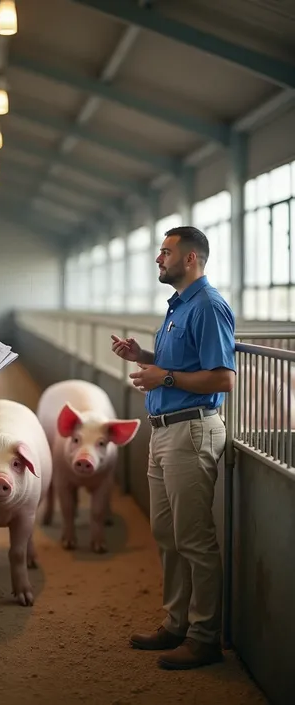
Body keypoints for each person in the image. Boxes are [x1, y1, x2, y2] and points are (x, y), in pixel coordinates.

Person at [111, 226, 235, 671]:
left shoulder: (208, 307)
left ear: (191, 259)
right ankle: (176, 622)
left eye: (165, 253)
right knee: (167, 533)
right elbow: (176, 367)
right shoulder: (177, 307)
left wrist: (162, 377)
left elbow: (223, 379)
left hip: (191, 429)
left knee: (195, 539)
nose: (158, 259)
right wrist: (143, 356)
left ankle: (204, 637)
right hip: (164, 430)